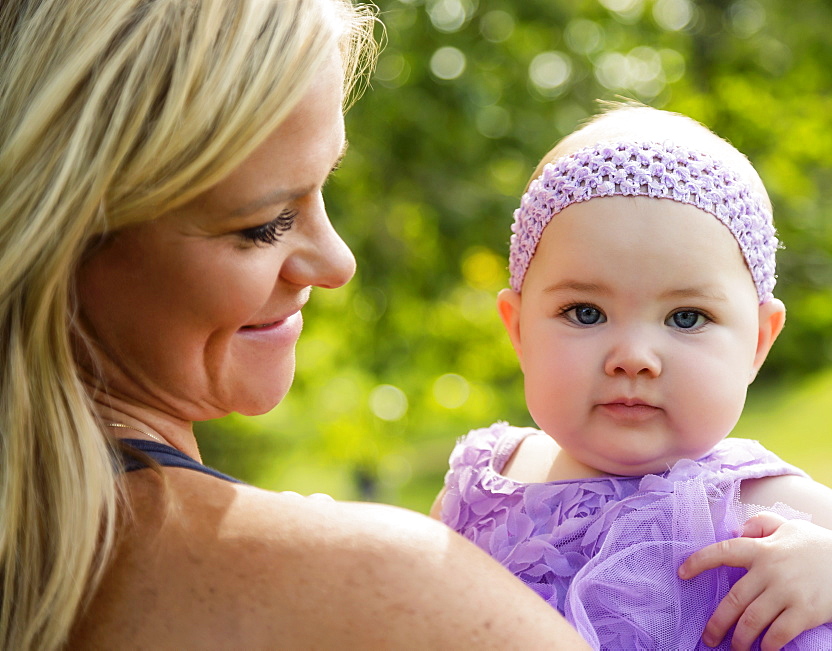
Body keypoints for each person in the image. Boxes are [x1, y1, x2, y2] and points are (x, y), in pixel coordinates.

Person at [0, 1, 593, 649]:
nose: (339, 262)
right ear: (59, 239)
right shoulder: (389, 595)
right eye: (264, 226)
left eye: (322, 187)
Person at [433, 105, 832, 650]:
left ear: (759, 341)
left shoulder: (772, 512)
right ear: (518, 328)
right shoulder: (476, 494)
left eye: (686, 318)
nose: (634, 357)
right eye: (585, 312)